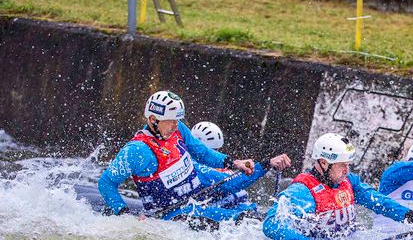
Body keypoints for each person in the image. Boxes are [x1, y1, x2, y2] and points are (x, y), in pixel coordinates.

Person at [98, 91, 288, 225]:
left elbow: (203, 153)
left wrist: (233, 162)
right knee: (242, 221)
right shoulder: (137, 150)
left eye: (177, 119)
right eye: (171, 120)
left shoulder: (178, 130)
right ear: (153, 120)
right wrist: (124, 216)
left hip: (195, 203)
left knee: (250, 216)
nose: (175, 124)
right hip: (172, 217)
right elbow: (106, 183)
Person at [262, 132, 413, 240]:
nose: (347, 170)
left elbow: (379, 201)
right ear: (323, 163)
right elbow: (271, 225)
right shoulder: (302, 192)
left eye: (348, 165)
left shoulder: (348, 181)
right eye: (342, 165)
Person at [189, 120, 291, 217]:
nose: (214, 155)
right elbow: (230, 183)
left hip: (245, 212)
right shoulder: (195, 169)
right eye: (212, 151)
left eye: (217, 150)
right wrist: (267, 164)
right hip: (232, 217)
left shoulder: (218, 169)